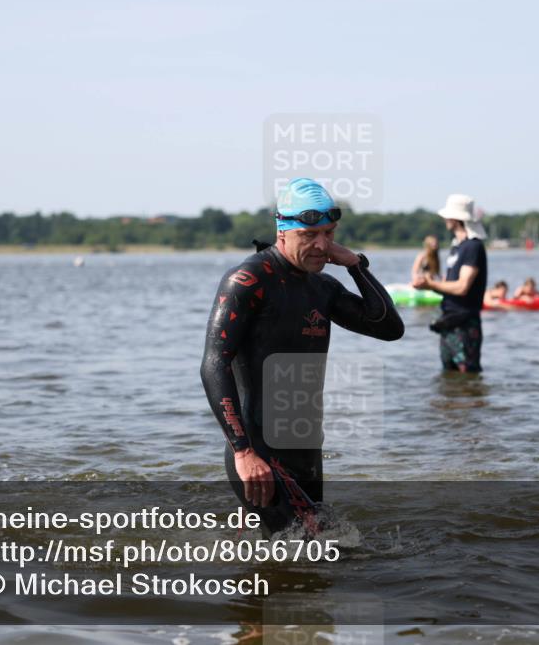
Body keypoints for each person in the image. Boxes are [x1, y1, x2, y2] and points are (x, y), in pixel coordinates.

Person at [200, 178, 404, 532]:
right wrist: (243, 452)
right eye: (309, 235)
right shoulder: (248, 281)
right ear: (283, 230)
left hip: (306, 448)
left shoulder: (322, 287)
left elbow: (389, 327)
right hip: (258, 450)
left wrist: (356, 265)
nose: (322, 245)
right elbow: (213, 365)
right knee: (320, 550)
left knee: (299, 567)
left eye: (329, 233)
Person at [413, 194, 488, 372]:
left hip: (465, 322)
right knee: (448, 374)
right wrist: (429, 282)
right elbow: (449, 285)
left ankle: (473, 401)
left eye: (448, 215)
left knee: (468, 374)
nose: (445, 219)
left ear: (457, 218)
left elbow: (462, 287)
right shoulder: (457, 247)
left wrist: (431, 285)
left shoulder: (473, 247)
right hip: (448, 320)